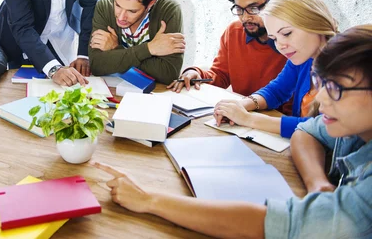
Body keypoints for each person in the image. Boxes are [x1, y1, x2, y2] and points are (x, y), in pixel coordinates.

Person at [93, 24, 372, 238]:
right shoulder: (349, 123)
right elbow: (308, 131)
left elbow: (275, 226)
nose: (321, 99)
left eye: (336, 89)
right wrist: (317, 184)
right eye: (319, 83)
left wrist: (148, 199)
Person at [213, 0, 338, 138]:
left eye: (286, 33)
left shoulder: (347, 69)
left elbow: (323, 128)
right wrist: (242, 105)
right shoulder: (305, 57)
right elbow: (277, 90)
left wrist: (248, 119)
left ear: (314, 23)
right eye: (274, 38)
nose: (280, 46)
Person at [169, 0, 300, 96]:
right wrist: (195, 73)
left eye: (253, 8)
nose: (244, 17)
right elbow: (221, 75)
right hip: (242, 113)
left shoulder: (295, 41)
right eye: (239, 9)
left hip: (277, 117)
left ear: (278, 3)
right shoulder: (234, 32)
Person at [88, 0, 185, 84]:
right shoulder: (104, 7)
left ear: (150, 4)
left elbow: (168, 74)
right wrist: (150, 49)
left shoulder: (168, 10)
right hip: (115, 89)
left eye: (132, 11)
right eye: (118, 5)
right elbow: (97, 66)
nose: (121, 17)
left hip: (155, 95)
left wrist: (116, 49)